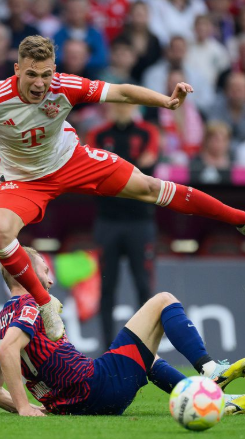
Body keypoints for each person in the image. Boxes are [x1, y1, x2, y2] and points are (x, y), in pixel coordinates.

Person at [0, 35, 245, 341]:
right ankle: (45, 302)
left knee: (151, 187)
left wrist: (167, 103)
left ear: (55, 70)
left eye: (46, 74)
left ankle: (244, 219)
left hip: (69, 159)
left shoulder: (66, 87)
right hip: (22, 180)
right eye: (32, 74)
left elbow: (121, 91)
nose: (39, 83)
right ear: (17, 69)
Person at [0, 246, 245, 417]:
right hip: (96, 387)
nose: (51, 279)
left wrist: (40, 405)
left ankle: (217, 401)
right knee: (164, 300)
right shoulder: (32, 303)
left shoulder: (0, 323)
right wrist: (23, 407)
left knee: (143, 358)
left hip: (71, 404)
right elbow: (9, 349)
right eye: (45, 270)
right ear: (27, 272)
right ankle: (209, 370)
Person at [87, 103, 158, 346]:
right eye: (118, 103)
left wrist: (113, 172)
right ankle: (107, 348)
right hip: (108, 222)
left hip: (140, 220)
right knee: (107, 288)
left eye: (127, 104)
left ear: (134, 107)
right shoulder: (98, 134)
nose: (121, 108)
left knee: (143, 286)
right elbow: (93, 170)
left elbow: (147, 166)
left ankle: (146, 348)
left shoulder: (148, 132)